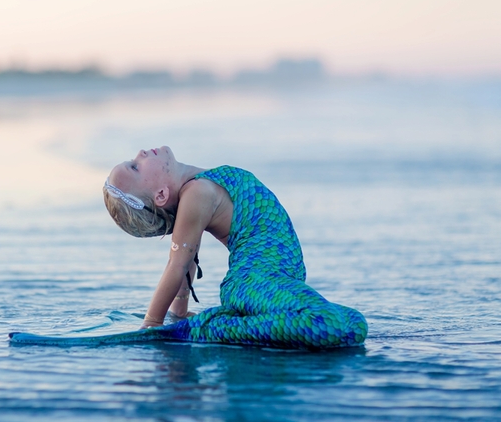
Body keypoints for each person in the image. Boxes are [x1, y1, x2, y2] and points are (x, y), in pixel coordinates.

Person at [103, 146, 367, 349]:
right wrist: (152, 323)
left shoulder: (198, 187)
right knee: (337, 325)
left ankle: (218, 324)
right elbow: (178, 263)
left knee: (349, 324)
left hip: (274, 277)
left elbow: (188, 258)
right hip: (252, 281)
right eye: (135, 167)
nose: (139, 154)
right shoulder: (196, 193)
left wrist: (179, 312)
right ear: (160, 195)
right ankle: (209, 329)